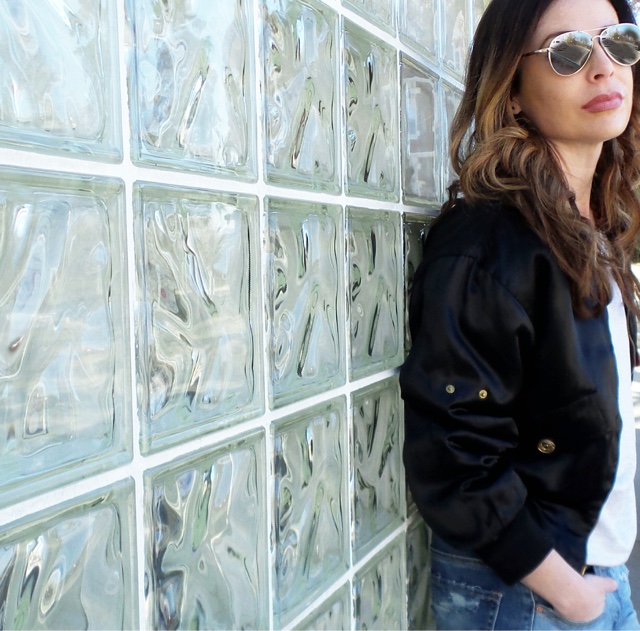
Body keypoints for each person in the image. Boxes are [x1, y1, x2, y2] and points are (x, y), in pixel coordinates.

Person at [400, 0, 640, 628]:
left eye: (618, 41)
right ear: (511, 91)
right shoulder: (490, 240)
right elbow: (453, 448)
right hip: (532, 595)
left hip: (589, 580)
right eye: (567, 52)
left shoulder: (589, 230)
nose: (602, 67)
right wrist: (566, 592)